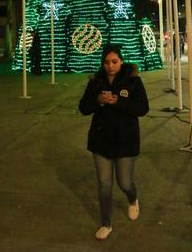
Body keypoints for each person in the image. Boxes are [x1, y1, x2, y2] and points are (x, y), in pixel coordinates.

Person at [78, 44, 149, 240]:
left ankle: (132, 198)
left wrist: (119, 102)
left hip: (125, 140)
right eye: (107, 62)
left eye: (114, 62)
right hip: (101, 140)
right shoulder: (96, 82)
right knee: (104, 184)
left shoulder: (133, 80)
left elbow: (143, 108)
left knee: (124, 182)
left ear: (121, 61)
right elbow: (83, 108)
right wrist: (98, 101)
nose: (110, 66)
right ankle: (106, 223)